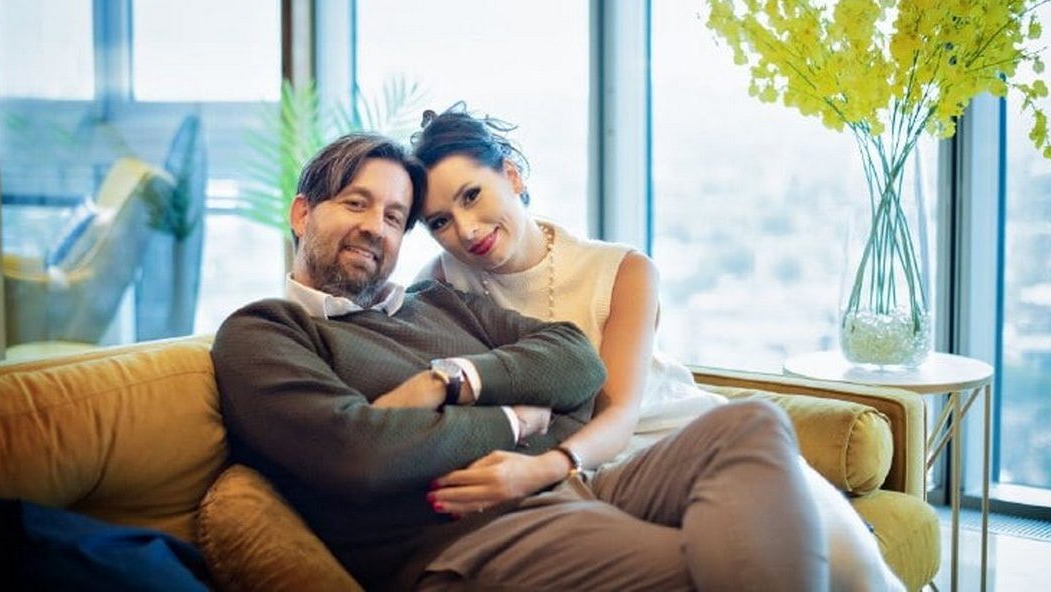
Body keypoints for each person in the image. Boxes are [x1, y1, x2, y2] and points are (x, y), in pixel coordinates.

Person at [213, 132, 827, 591]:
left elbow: (577, 365)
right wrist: (514, 418)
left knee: (751, 422)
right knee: (707, 563)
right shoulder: (264, 333)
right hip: (468, 542)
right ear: (302, 214)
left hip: (568, 486)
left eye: (394, 217)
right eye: (356, 204)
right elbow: (362, 455)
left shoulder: (436, 302)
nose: (376, 228)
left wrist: (451, 380)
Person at [411, 104, 903, 592]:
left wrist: (544, 467)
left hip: (680, 436)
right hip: (601, 476)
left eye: (472, 195)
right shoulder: (439, 286)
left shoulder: (623, 269)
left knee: (852, 568)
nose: (466, 229)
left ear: (512, 175)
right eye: (439, 222)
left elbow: (620, 413)